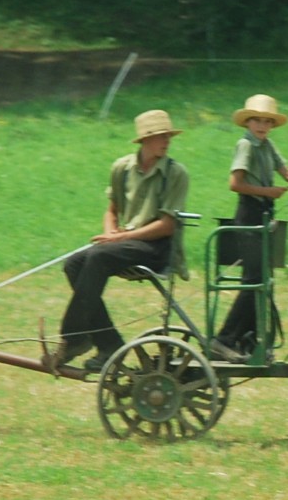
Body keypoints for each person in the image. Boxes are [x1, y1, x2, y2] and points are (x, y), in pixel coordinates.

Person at [53, 108, 190, 373]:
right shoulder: (121, 168)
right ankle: (108, 344)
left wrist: (121, 237)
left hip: (156, 247)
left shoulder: (176, 174)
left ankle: (74, 339)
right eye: (161, 136)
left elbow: (168, 226)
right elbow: (112, 210)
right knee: (73, 264)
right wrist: (111, 233)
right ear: (145, 139)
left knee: (97, 256)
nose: (167, 141)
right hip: (125, 243)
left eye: (169, 136)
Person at [213, 94, 288, 359]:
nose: (262, 125)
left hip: (264, 213)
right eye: (257, 120)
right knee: (254, 282)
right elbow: (235, 184)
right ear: (248, 122)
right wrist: (268, 191)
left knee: (262, 283)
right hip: (249, 213)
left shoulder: (267, 145)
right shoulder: (245, 145)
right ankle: (224, 338)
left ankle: (246, 340)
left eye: (267, 121)